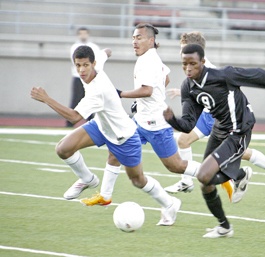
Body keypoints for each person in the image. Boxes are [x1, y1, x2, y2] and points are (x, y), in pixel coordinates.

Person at [163, 43, 265, 238]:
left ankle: (238, 177)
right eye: (184, 64)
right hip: (220, 129)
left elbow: (257, 75)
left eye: (193, 63)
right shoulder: (188, 87)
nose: (188, 68)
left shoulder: (223, 76)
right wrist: (172, 120)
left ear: (203, 62)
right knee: (205, 182)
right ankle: (224, 226)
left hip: (239, 130)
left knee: (204, 175)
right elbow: (188, 124)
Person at [30, 45, 180, 226]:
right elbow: (106, 53)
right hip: (101, 127)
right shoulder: (97, 63)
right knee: (63, 149)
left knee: (138, 180)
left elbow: (74, 117)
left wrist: (46, 98)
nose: (82, 70)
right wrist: (106, 52)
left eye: (86, 65)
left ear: (93, 64)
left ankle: (170, 203)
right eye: (78, 65)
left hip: (124, 137)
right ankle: (87, 179)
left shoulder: (97, 91)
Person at [81, 23, 204, 209]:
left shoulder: (150, 61)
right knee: (116, 149)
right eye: (133, 38)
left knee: (175, 165)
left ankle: (214, 173)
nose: (134, 41)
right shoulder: (149, 58)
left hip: (156, 124)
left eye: (139, 38)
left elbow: (147, 90)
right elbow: (166, 78)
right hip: (139, 120)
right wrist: (149, 98)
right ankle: (105, 196)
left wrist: (120, 94)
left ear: (151, 40)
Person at [164, 31, 265, 199]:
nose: (181, 53)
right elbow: (200, 91)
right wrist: (182, 93)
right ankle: (188, 181)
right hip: (207, 116)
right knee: (184, 140)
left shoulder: (208, 69)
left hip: (218, 118)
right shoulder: (193, 66)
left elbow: (217, 90)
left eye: (183, 49)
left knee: (238, 153)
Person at [66, 27, 112, 127]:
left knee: (92, 100)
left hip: (92, 79)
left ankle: (92, 122)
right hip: (78, 78)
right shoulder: (74, 47)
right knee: (76, 100)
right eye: (81, 33)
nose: (83, 35)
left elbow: (107, 52)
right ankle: (69, 124)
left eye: (85, 33)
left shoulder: (94, 48)